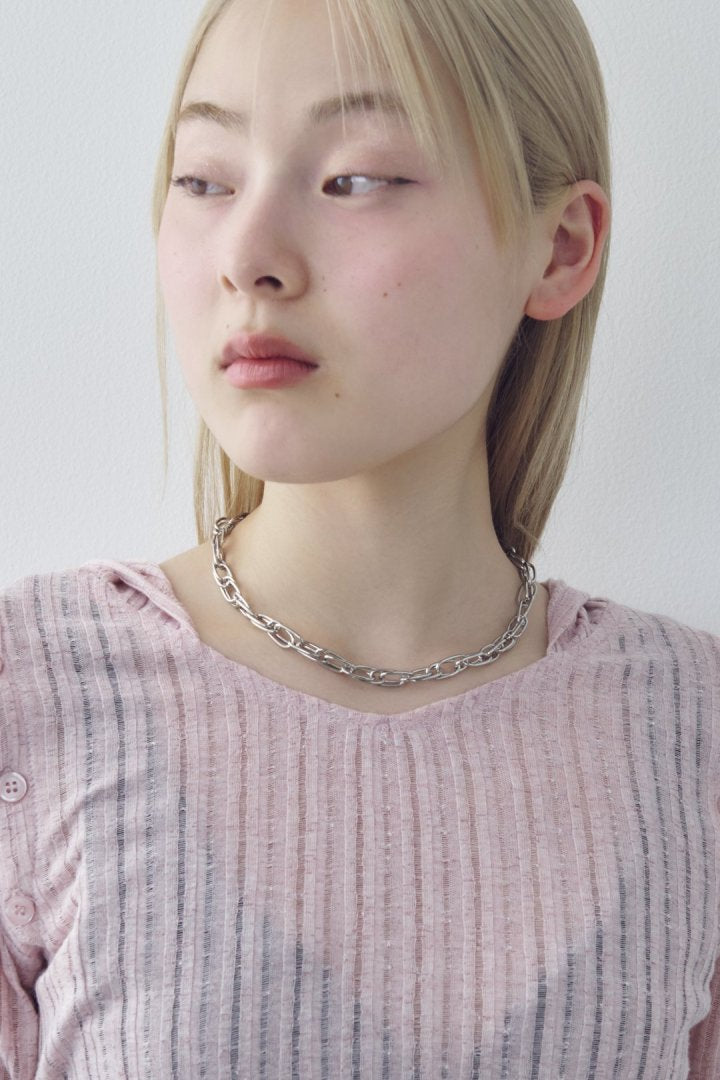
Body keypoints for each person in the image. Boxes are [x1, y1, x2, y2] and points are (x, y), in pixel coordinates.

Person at [0, 0, 718, 1075]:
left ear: (560, 248)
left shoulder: (692, 732)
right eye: (204, 180)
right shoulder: (29, 695)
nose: (248, 256)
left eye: (355, 179)